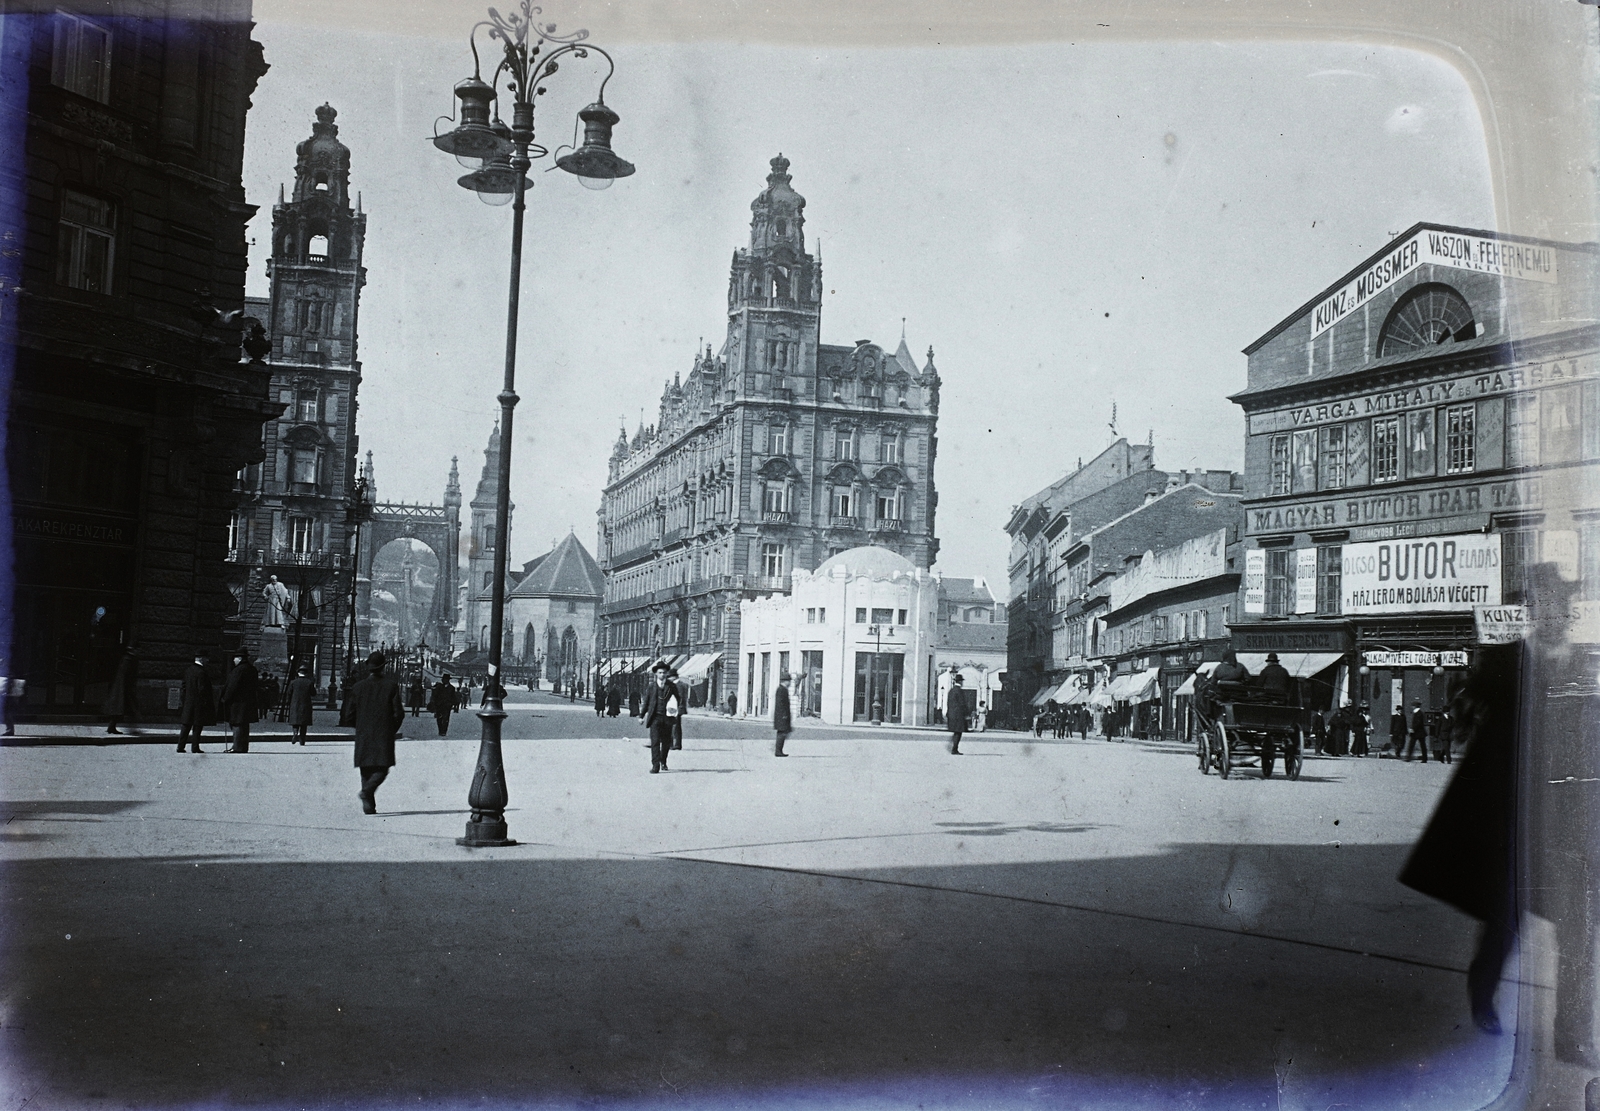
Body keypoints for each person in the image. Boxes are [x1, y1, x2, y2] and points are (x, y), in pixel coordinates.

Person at [1400, 564, 1598, 1062]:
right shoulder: (1505, 661)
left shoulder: (1586, 666)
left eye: (1562, 607)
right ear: (1532, 613)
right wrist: (1461, 701)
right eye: (1545, 606)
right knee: (1503, 918)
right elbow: (1468, 706)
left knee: (1579, 928)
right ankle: (1482, 997)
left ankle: (1570, 1036)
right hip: (1514, 815)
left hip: (1568, 817)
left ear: (1569, 614)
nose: (1555, 616)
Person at [340, 651, 405, 814]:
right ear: (383, 667)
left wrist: (360, 726)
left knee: (366, 768)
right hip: (384, 734)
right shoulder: (391, 686)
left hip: (363, 734)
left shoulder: (358, 687)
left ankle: (369, 806)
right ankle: (367, 792)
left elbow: (348, 715)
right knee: (382, 768)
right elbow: (399, 713)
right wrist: (390, 729)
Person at [640, 662, 679, 773]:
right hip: (655, 717)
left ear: (666, 674)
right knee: (655, 742)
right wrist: (641, 716)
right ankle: (655, 765)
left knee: (666, 742)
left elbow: (678, 699)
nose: (662, 675)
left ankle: (663, 761)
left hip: (667, 718)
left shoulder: (671, 686)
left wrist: (674, 710)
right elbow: (646, 702)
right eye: (660, 673)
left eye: (664, 673)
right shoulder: (652, 687)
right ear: (656, 674)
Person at [176, 653, 214, 753]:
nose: (207, 661)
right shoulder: (202, 672)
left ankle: (180, 746)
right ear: (201, 658)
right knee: (197, 726)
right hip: (199, 703)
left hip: (189, 702)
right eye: (206, 658)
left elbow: (183, 686)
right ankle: (195, 746)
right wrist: (206, 701)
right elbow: (202, 689)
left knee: (186, 725)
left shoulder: (188, 670)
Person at [221, 651, 258, 753]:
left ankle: (236, 747)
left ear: (240, 658)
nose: (233, 660)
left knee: (236, 724)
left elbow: (232, 686)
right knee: (244, 725)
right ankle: (243, 747)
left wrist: (225, 698)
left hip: (237, 702)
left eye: (235, 658)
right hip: (248, 702)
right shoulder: (252, 669)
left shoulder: (238, 670)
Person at [103, 645, 139, 736]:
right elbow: (127, 675)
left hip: (122, 688)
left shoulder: (126, 658)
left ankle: (112, 727)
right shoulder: (129, 659)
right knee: (126, 709)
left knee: (121, 709)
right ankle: (128, 728)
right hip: (124, 688)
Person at [286, 666, 316, 744]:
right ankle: (302, 740)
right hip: (306, 704)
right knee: (304, 723)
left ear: (298, 673)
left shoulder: (293, 682)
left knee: (295, 721)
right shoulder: (309, 682)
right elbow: (313, 693)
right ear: (306, 673)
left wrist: (289, 702)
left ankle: (295, 733)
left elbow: (289, 693)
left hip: (295, 704)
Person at [947, 672, 971, 755]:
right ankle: (954, 749)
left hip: (952, 714)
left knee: (956, 731)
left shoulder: (951, 691)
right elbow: (962, 703)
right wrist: (967, 713)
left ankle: (954, 748)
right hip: (959, 715)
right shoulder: (959, 691)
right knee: (958, 732)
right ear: (960, 682)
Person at [1402, 698, 1431, 763]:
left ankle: (1409, 757)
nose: (1411, 707)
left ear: (1414, 706)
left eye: (1412, 706)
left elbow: (1418, 723)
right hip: (1420, 732)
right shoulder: (1419, 713)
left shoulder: (1418, 713)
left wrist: (1412, 729)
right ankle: (1424, 758)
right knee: (1422, 746)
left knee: (1412, 745)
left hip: (1417, 732)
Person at [772, 670, 792, 757]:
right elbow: (781, 704)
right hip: (782, 716)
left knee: (782, 733)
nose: (790, 683)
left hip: (782, 716)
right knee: (782, 733)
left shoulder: (782, 689)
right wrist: (784, 715)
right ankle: (778, 751)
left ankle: (779, 750)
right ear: (785, 681)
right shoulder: (781, 690)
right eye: (789, 681)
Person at [667, 666, 684, 750]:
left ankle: (676, 744)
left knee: (675, 727)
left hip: (676, 709)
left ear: (674, 676)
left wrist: (677, 709)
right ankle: (671, 743)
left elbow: (680, 697)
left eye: (669, 677)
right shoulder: (674, 685)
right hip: (672, 708)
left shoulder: (679, 685)